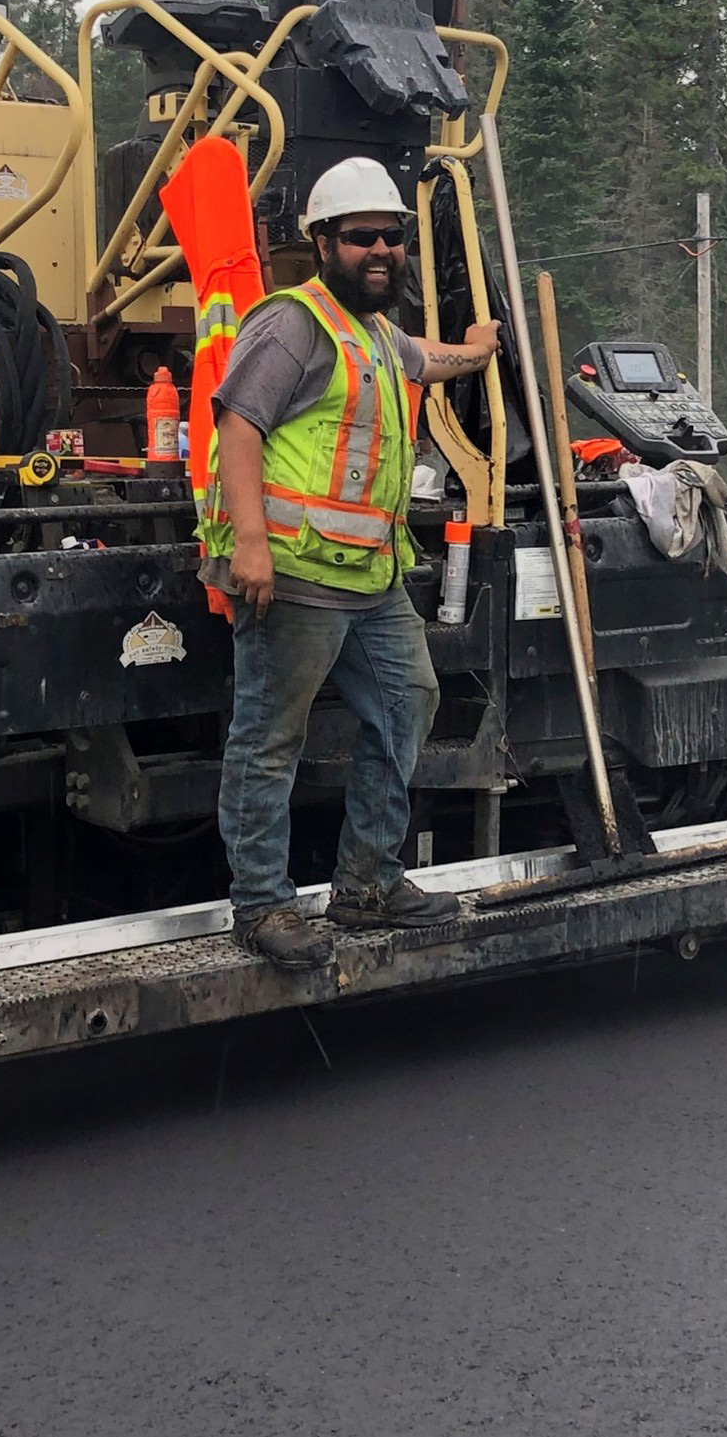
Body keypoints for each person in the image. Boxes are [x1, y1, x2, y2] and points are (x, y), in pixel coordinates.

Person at [200, 156, 500, 968]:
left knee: (409, 703)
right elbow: (236, 424)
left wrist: (475, 352)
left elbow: (421, 357)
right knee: (270, 738)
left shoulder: (370, 330)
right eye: (361, 235)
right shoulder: (291, 323)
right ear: (322, 243)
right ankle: (261, 904)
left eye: (392, 236)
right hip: (294, 574)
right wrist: (252, 544)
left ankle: (367, 884)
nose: (381, 248)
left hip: (369, 578)